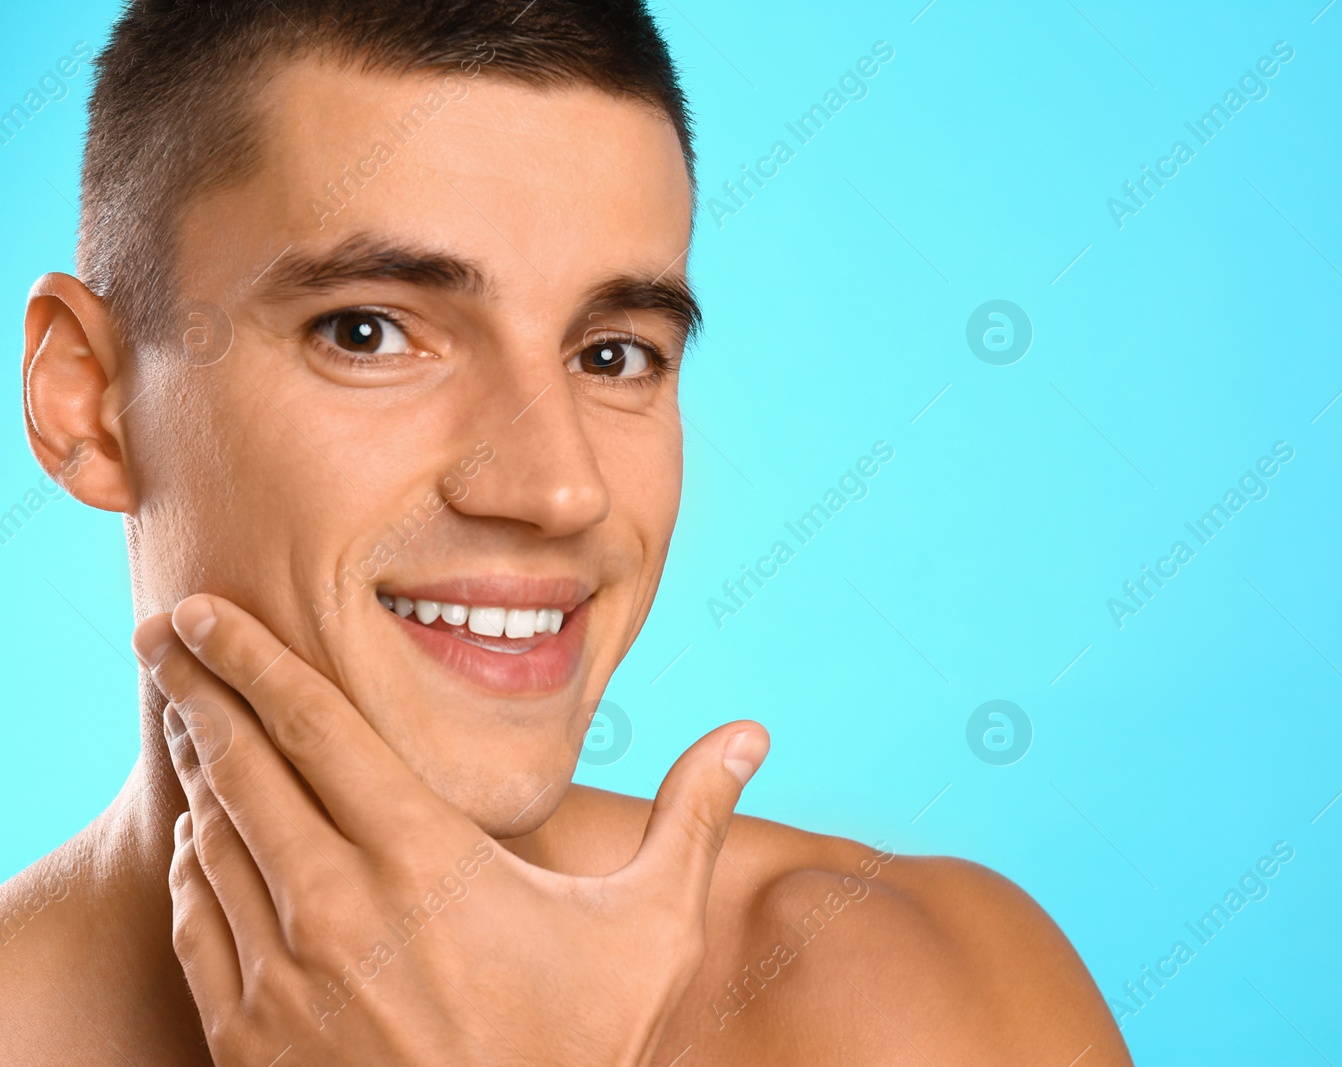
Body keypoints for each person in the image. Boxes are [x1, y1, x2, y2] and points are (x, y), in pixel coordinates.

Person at [0, 1, 1130, 1062]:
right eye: (369, 330)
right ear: (89, 401)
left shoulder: (912, 1000)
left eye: (612, 353)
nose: (557, 489)